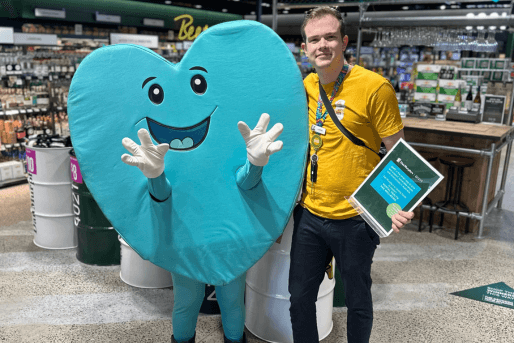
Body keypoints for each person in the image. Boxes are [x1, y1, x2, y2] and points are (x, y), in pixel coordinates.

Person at [288, 6, 415, 343]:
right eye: (314, 39)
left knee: (358, 300)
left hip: (356, 219)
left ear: (344, 42)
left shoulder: (375, 87)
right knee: (299, 298)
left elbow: (401, 156)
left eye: (330, 37)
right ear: (305, 47)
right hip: (310, 215)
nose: (322, 45)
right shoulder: (307, 86)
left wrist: (393, 205)